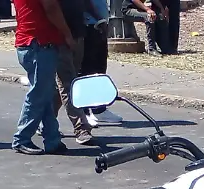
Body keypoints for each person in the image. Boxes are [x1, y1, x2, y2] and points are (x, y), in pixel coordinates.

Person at [12, 0, 75, 154]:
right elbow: (51, 7)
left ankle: (52, 139)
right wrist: (67, 34)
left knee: (45, 93)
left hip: (30, 42)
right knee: (39, 94)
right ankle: (22, 138)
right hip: (39, 43)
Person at [50, 0, 100, 145]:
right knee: (69, 83)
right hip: (59, 37)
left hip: (77, 33)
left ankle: (47, 119)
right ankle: (80, 127)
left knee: (65, 83)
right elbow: (51, 8)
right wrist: (66, 34)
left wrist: (98, 18)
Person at [81, 0, 124, 126]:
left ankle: (99, 109)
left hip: (99, 24)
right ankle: (85, 112)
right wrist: (99, 18)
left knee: (99, 70)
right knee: (86, 71)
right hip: (88, 24)